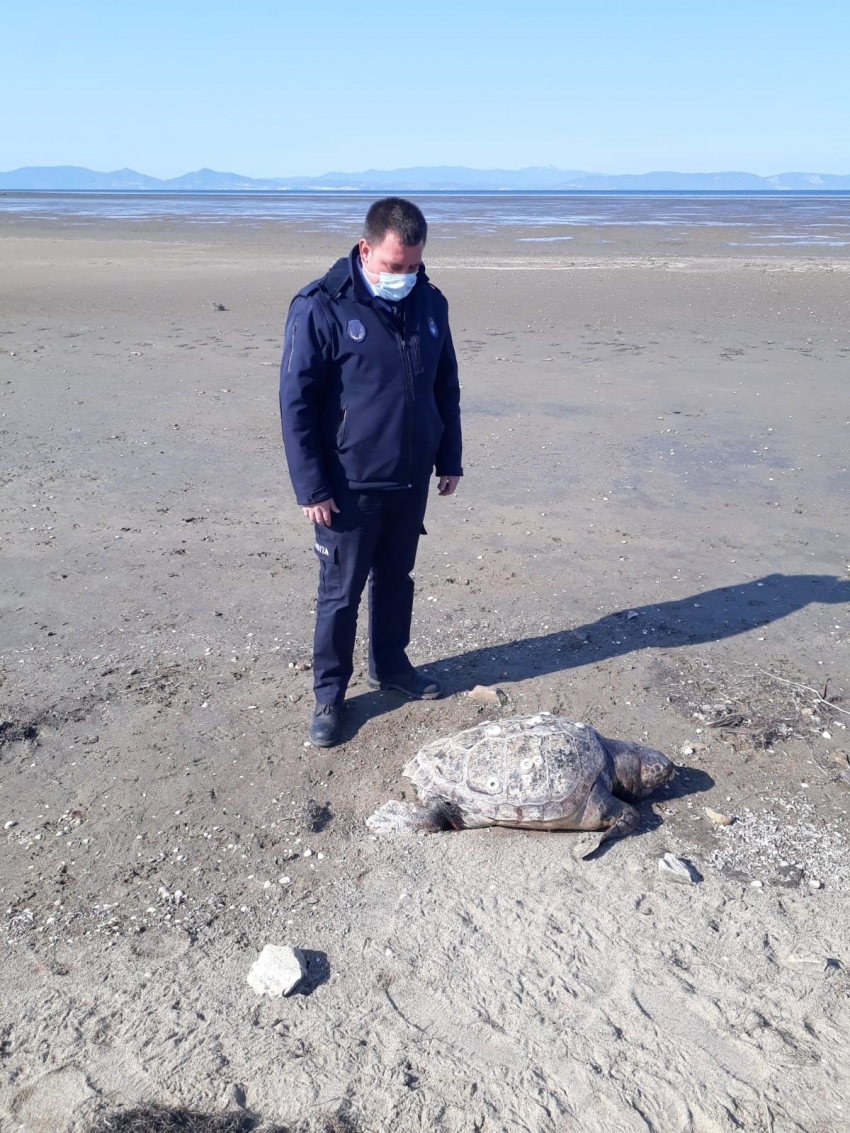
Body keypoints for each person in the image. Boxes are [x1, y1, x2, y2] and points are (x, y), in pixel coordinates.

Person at [279, 198, 463, 747]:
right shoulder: (321, 306)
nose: (403, 277)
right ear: (366, 249)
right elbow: (296, 404)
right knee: (340, 594)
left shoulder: (431, 304)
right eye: (392, 266)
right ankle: (330, 697)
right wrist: (310, 485)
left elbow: (444, 385)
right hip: (346, 486)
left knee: (397, 580)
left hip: (408, 477)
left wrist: (448, 457)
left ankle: (392, 666)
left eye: (412, 267)